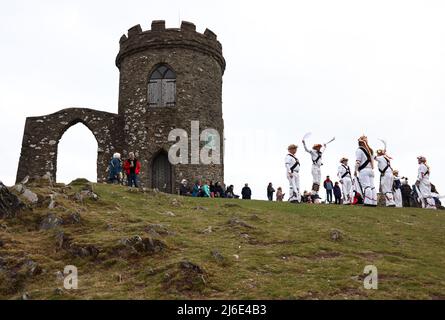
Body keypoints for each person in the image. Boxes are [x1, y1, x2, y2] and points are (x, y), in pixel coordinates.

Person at [354, 136, 377, 206]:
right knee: (372, 187)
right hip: (371, 170)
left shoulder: (359, 150)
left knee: (367, 187)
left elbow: (358, 161)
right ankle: (374, 202)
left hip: (364, 170)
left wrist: (355, 170)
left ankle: (368, 202)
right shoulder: (371, 151)